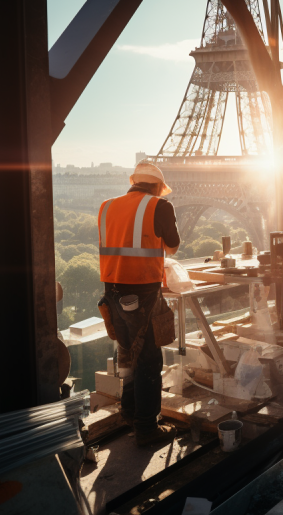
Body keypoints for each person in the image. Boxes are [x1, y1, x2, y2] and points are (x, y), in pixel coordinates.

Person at [97, 161, 181, 445]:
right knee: (148, 359)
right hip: (143, 293)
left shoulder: (106, 206)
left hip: (112, 292)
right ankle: (146, 428)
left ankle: (131, 413)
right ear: (157, 187)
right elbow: (172, 245)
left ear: (133, 182)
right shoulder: (159, 206)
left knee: (129, 355)